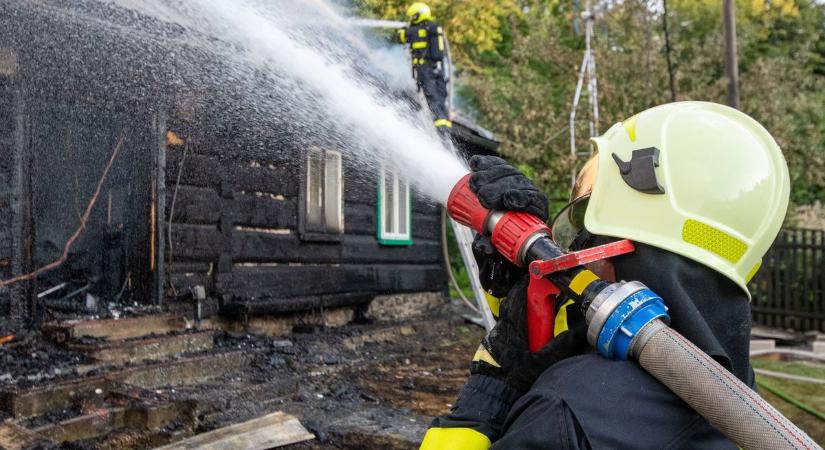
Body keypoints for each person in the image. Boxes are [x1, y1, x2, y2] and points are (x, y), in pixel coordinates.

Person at [420, 102, 790, 449]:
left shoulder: (564, 415)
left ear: (621, 246)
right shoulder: (731, 386)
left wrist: (494, 384)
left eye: (586, 224)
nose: (574, 253)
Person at [397, 3, 451, 135]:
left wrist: (405, 28)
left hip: (425, 69)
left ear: (418, 15)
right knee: (441, 97)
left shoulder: (413, 31)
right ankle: (445, 126)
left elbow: (400, 37)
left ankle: (438, 128)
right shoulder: (434, 28)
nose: (412, 19)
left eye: (413, 17)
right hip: (439, 69)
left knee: (431, 98)